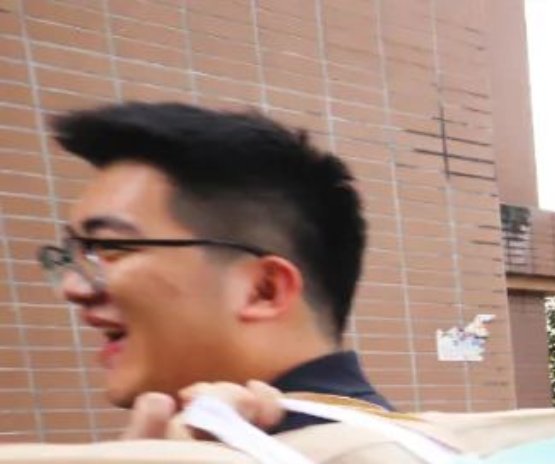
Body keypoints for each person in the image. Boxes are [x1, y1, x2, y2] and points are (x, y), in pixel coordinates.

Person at [40, 101, 384, 437]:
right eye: (72, 254)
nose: (73, 287)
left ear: (263, 290)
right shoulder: (239, 449)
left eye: (109, 247)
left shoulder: (336, 461)